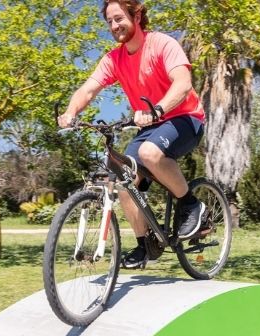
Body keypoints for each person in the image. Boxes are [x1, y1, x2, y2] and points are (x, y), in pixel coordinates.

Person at [58, 0, 206, 269]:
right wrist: (71, 113)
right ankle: (144, 244)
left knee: (150, 153)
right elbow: (88, 90)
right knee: (122, 177)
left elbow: (183, 84)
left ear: (137, 15)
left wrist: (158, 108)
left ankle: (190, 204)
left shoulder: (162, 44)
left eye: (119, 18)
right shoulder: (114, 59)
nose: (114, 26)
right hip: (152, 126)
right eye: (110, 22)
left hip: (186, 118)